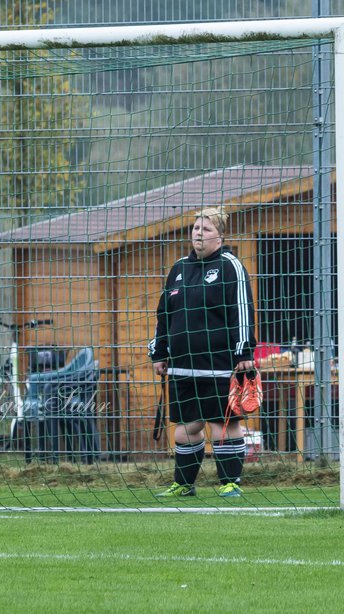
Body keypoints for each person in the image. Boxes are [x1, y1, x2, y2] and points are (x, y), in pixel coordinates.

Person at [149, 206, 256, 498]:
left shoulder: (230, 266)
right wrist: (159, 353)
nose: (199, 234)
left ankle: (229, 483)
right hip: (182, 368)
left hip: (220, 365)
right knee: (184, 430)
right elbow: (164, 316)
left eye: (206, 229)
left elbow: (242, 310)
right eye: (196, 228)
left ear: (219, 236)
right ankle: (184, 484)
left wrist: (245, 352)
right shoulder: (179, 268)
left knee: (222, 427)